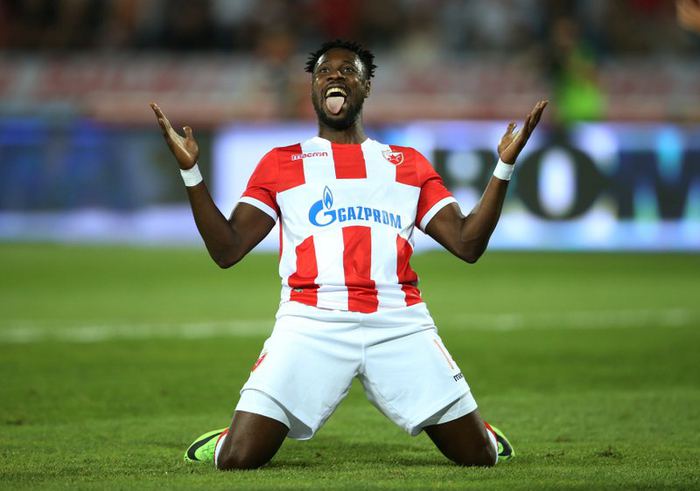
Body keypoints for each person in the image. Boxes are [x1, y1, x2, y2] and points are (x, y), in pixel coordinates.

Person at [150, 39, 547, 470]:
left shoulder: (407, 164)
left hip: (398, 323)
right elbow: (227, 250)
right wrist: (190, 171)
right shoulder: (282, 163)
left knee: (480, 458)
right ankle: (229, 434)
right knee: (237, 459)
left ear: (366, 85)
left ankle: (479, 430)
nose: (334, 77)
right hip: (311, 323)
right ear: (313, 87)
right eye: (324, 71)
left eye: (347, 71)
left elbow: (467, 244)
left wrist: (504, 167)